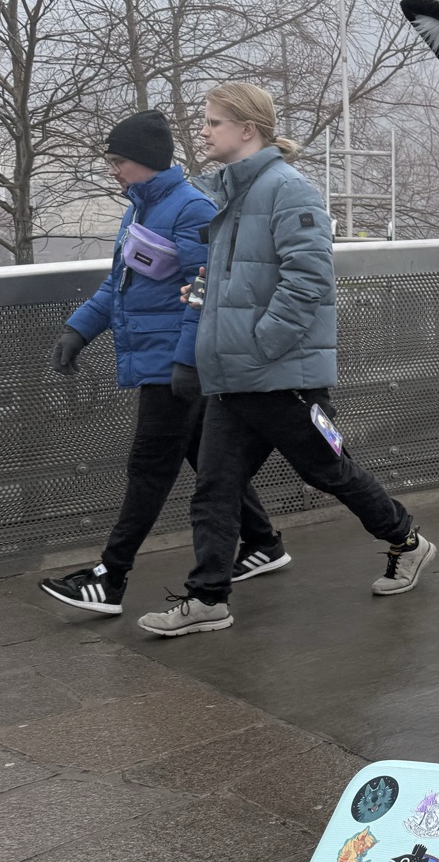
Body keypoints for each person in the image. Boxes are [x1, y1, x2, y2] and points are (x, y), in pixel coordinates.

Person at [138, 82, 434, 637]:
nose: (202, 131)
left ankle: (407, 540)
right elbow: (247, 278)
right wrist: (205, 296)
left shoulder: (288, 191)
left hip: (279, 376)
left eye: (213, 122)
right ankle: (207, 598)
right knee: (215, 487)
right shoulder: (233, 193)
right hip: (234, 376)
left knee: (328, 470)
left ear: (247, 129)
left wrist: (260, 344)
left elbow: (308, 281)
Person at [38, 111, 288, 616]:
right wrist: (78, 330)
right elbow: (120, 285)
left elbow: (206, 290)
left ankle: (111, 577)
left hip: (175, 364)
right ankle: (264, 543)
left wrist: (185, 362)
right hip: (162, 360)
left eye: (119, 160)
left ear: (146, 160)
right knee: (202, 457)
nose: (113, 170)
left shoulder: (190, 209)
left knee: (148, 468)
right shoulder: (141, 209)